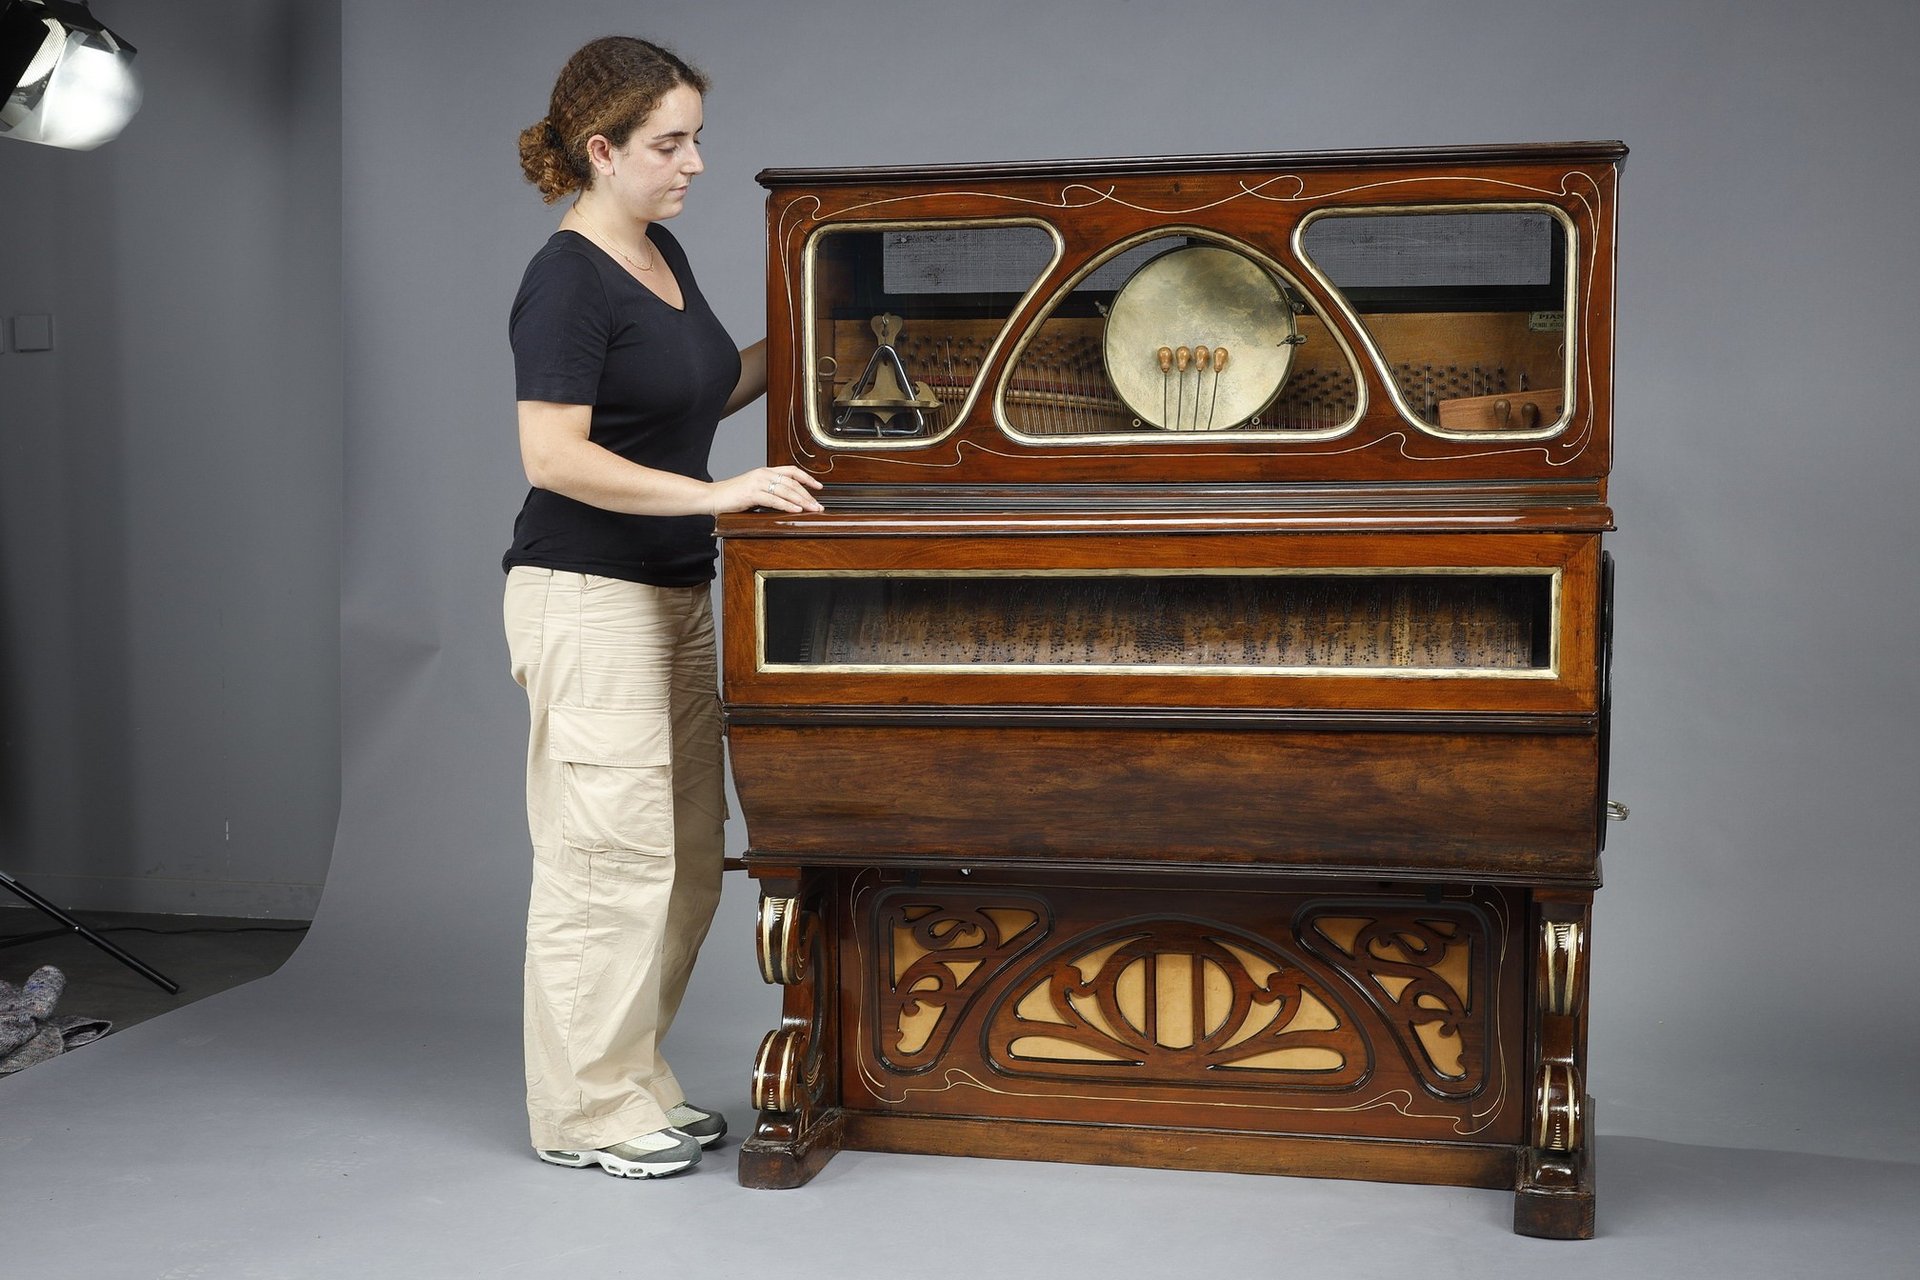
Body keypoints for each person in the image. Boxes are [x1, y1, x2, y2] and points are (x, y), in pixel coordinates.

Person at [502, 35, 823, 1180]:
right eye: (669, 143)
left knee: (687, 860)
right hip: (585, 596)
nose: (694, 162)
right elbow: (554, 455)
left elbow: (700, 387)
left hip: (677, 592)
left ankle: (633, 1081)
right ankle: (582, 1112)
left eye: (695, 137)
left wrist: (811, 342)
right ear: (603, 149)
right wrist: (719, 491)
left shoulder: (658, 249)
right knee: (607, 861)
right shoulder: (568, 275)